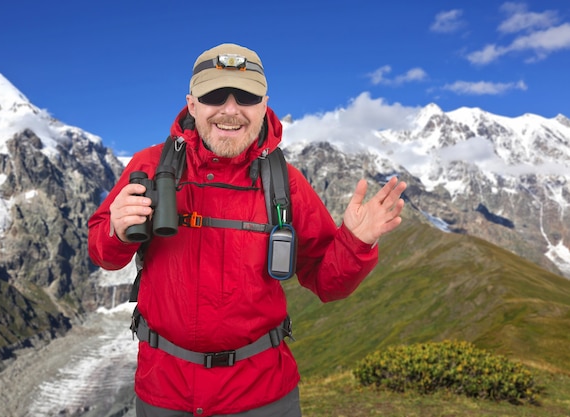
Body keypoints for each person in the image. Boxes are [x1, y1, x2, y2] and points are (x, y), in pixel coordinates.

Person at [88, 43, 407, 417]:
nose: (230, 109)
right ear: (192, 104)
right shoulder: (149, 165)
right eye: (214, 96)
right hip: (165, 392)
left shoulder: (286, 183)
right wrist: (117, 230)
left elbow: (327, 282)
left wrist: (356, 241)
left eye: (245, 97)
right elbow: (102, 254)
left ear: (264, 105)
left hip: (262, 396)